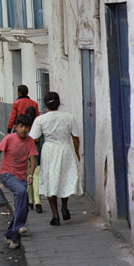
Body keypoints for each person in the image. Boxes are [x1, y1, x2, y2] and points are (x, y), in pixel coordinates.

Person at [29, 91, 82, 226]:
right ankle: (64, 207)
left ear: (45, 105)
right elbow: (75, 137)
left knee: (50, 180)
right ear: (59, 103)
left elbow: (34, 138)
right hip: (65, 149)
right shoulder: (69, 117)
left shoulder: (40, 119)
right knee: (64, 178)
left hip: (50, 150)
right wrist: (76, 152)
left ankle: (55, 214)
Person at [0, 114, 38, 249]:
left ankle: (10, 235)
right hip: (7, 174)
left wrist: (31, 175)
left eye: (26, 127)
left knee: (21, 203)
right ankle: (19, 226)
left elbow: (33, 159)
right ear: (16, 127)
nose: (23, 129)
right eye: (21, 126)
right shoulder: (8, 139)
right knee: (21, 192)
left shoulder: (30, 141)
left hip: (21, 177)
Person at [25, 106, 43, 213]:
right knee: (35, 178)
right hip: (37, 155)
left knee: (28, 177)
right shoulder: (39, 126)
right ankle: (38, 202)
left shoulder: (23, 127)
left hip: (26, 155)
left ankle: (30, 201)